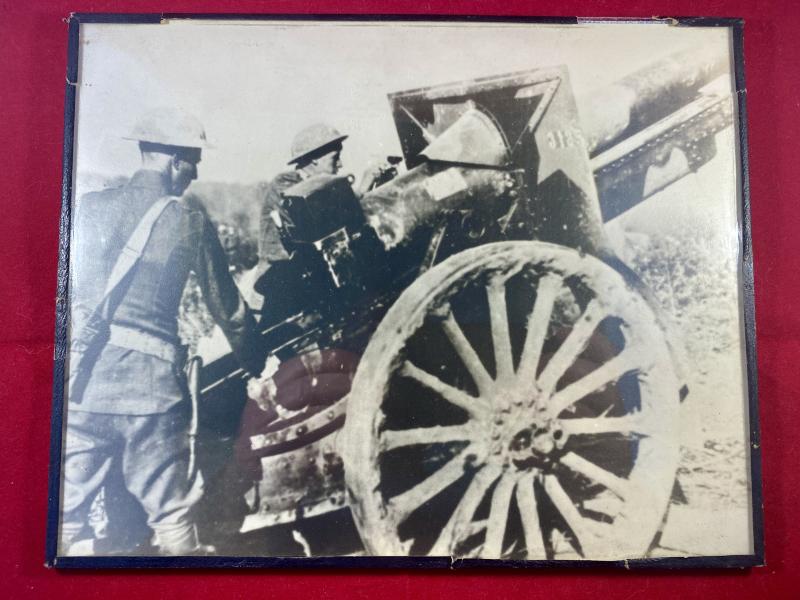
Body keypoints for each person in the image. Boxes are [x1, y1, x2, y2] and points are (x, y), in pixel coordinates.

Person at [61, 107, 267, 556]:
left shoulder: (90, 209)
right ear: (174, 161)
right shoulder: (187, 218)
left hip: (83, 386)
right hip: (150, 393)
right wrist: (259, 362)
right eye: (193, 162)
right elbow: (227, 308)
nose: (195, 174)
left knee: (65, 511)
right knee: (172, 511)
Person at [257, 123, 389, 266]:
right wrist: (363, 189)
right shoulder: (285, 185)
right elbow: (326, 217)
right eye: (335, 158)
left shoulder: (312, 186)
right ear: (315, 159)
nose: (340, 164)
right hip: (278, 277)